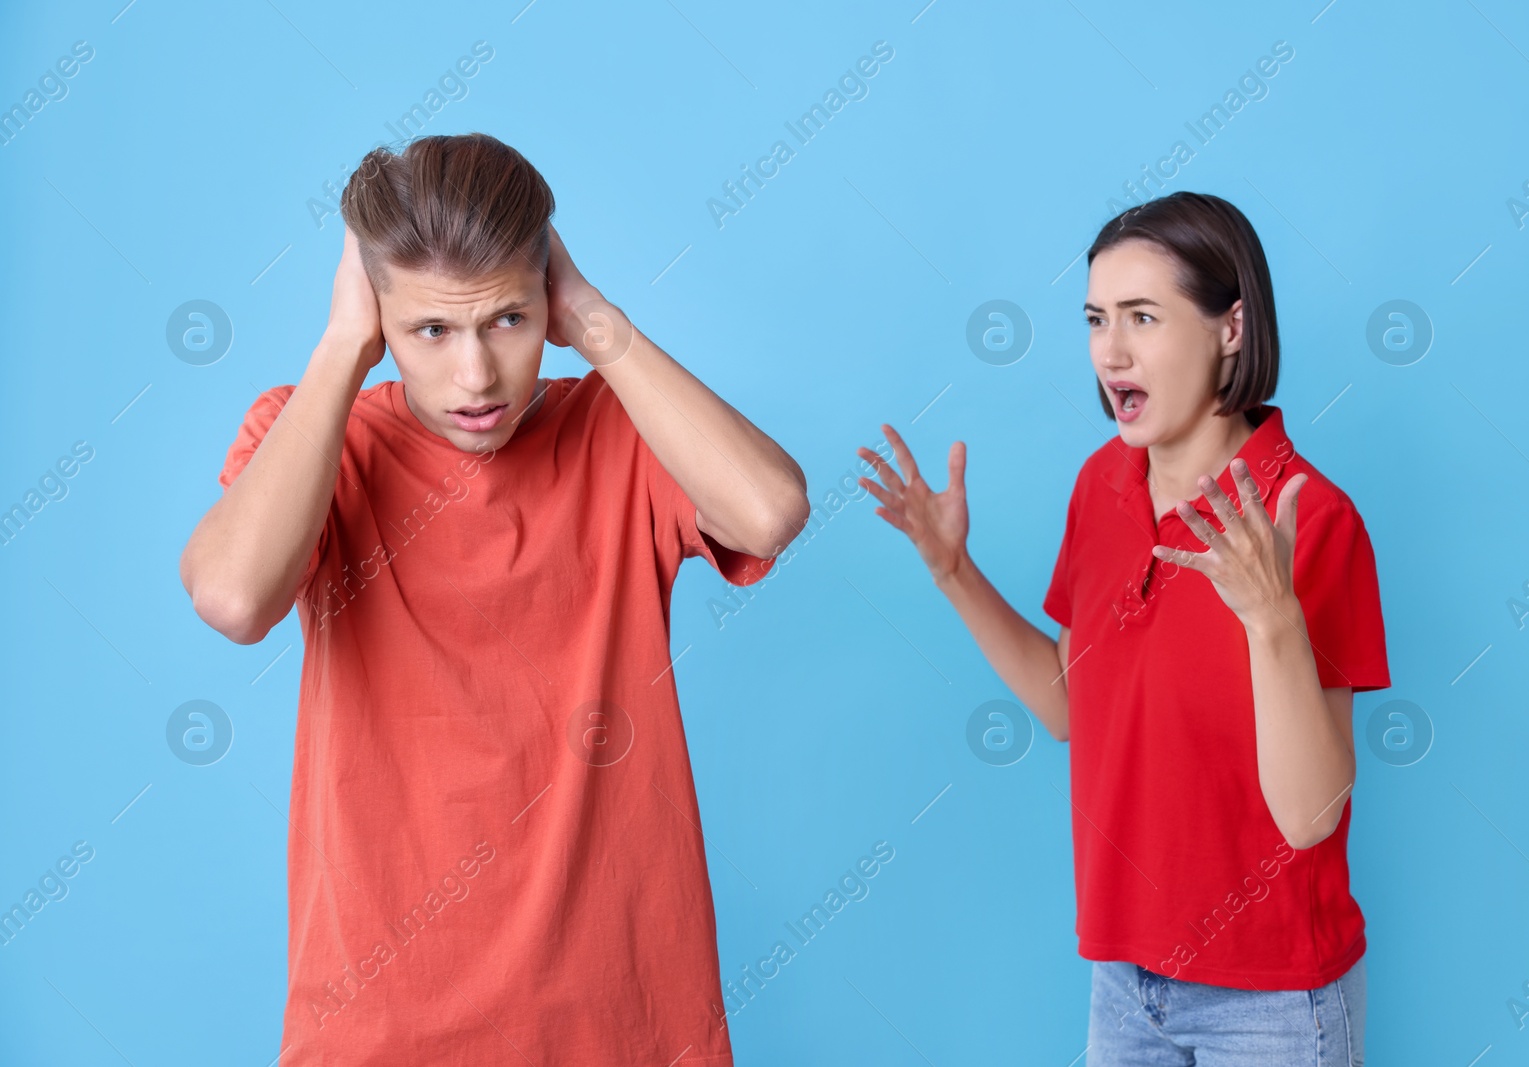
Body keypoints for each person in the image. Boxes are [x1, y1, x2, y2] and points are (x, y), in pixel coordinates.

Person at [178, 132, 810, 1066]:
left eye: (507, 321)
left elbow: (770, 511)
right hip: (380, 1025)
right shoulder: (313, 438)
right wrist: (341, 348)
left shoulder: (616, 429)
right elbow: (233, 599)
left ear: (546, 292)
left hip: (624, 1022)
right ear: (378, 313)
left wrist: (597, 323)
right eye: (430, 330)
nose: (475, 377)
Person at [856, 191, 1388, 1065]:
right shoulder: (1102, 483)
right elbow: (1072, 705)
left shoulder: (1308, 517)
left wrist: (1272, 616)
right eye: (1097, 318)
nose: (1111, 351)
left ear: (1231, 328)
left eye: (1144, 316)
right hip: (1125, 981)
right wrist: (955, 571)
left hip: (1272, 999)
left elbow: (1310, 815)